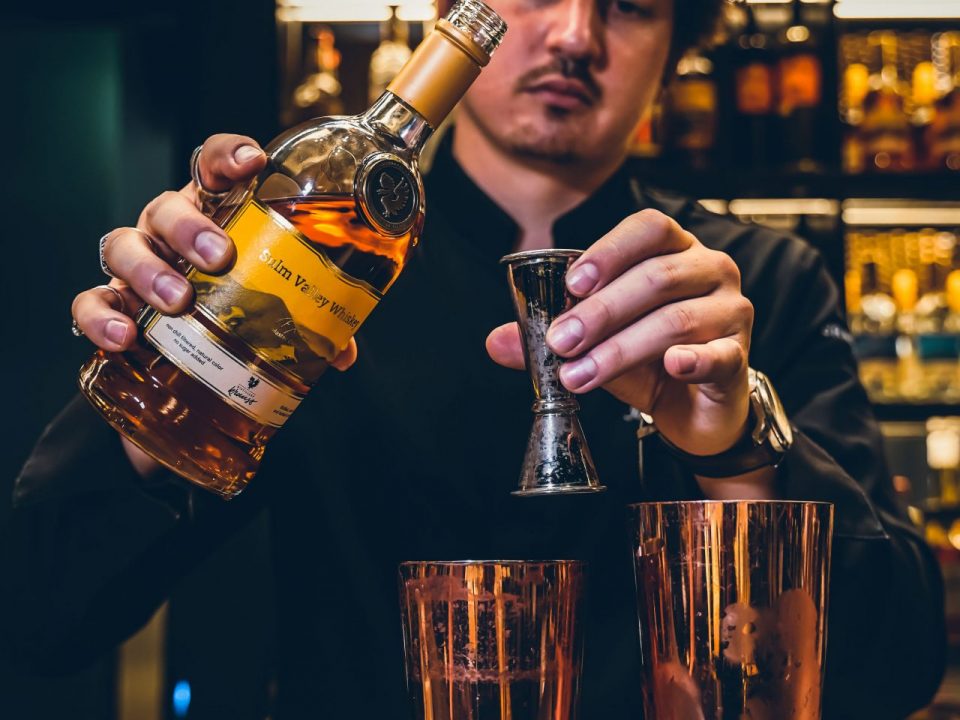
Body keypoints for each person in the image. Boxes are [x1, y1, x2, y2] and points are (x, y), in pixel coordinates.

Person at [2, 0, 945, 717]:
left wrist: (737, 449)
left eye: (629, 4)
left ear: (676, 44)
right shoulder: (312, 253)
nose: (575, 34)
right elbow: (40, 613)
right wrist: (164, 364)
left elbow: (896, 667)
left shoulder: (750, 287)